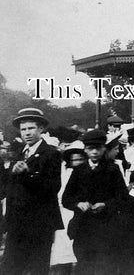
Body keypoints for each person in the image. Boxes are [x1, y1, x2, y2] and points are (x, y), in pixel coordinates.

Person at [1, 108, 63, 275]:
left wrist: (29, 174)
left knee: (37, 268)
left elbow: (52, 187)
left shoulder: (51, 154)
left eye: (31, 128)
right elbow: (10, 189)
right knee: (10, 267)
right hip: (17, 224)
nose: (27, 133)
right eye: (23, 129)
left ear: (41, 129)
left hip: (39, 224)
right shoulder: (19, 153)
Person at [62, 129, 128, 274]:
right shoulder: (79, 171)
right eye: (90, 148)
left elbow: (123, 198)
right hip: (83, 228)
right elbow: (66, 198)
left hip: (106, 228)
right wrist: (78, 204)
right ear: (85, 150)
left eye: (98, 148)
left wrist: (105, 204)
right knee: (84, 266)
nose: (94, 152)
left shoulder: (113, 169)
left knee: (105, 267)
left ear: (104, 148)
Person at [50, 141, 86, 275]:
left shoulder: (86, 173)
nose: (77, 162)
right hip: (63, 212)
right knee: (62, 249)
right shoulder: (65, 172)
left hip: (78, 213)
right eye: (74, 159)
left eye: (80, 159)